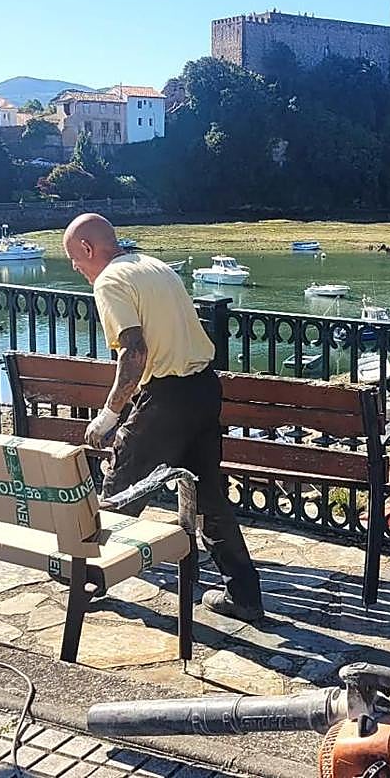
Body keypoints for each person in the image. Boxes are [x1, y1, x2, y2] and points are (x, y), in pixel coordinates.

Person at [62, 213, 264, 622]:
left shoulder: (109, 281)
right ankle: (244, 595)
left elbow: (134, 351)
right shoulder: (154, 266)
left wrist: (109, 415)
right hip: (203, 389)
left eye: (75, 260)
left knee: (120, 489)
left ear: (87, 247)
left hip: (167, 397)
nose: (76, 268)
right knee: (208, 496)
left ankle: (90, 578)